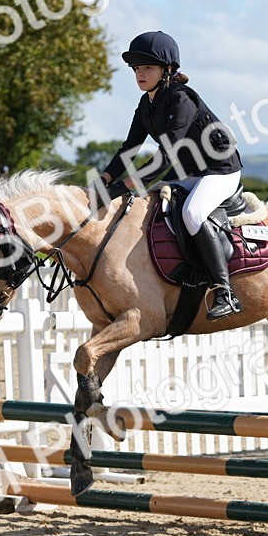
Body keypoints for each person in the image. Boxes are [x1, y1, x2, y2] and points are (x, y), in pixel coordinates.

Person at [94, 30, 244, 320]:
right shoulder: (146, 104)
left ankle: (225, 292)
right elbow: (130, 148)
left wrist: (126, 185)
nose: (140, 73)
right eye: (136, 68)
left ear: (168, 70)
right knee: (150, 208)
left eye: (147, 67)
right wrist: (104, 181)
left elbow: (166, 156)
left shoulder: (181, 99)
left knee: (192, 213)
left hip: (219, 170)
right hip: (187, 171)